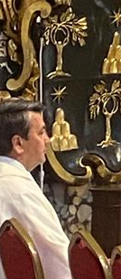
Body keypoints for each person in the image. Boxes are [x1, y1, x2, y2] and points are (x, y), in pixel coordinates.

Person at [0, 99, 72, 279]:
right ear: (18, 143)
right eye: (41, 133)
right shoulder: (17, 189)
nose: (48, 140)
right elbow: (56, 258)